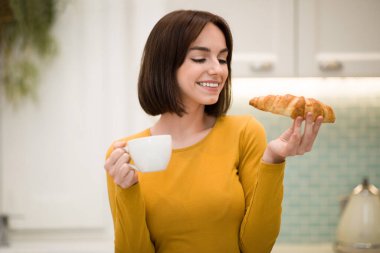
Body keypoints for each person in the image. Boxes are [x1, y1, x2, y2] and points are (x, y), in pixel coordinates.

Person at [104, 10, 323, 253]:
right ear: (165, 65)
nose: (218, 70)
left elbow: (257, 247)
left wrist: (273, 159)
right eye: (200, 59)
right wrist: (126, 192)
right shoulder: (126, 154)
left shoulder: (244, 133)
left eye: (222, 58)